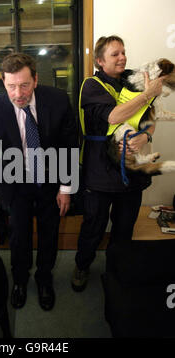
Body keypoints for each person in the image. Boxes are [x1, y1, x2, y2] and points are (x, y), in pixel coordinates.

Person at [0, 53, 78, 311]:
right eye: (11, 86)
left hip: (50, 179)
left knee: (49, 234)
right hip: (16, 181)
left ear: (35, 80)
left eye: (23, 85)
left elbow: (69, 145)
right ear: (4, 82)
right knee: (19, 236)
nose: (17, 93)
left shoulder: (57, 101)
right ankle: (19, 280)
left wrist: (66, 188)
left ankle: (45, 279)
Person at [71, 35, 166, 292]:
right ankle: (82, 264)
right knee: (94, 224)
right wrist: (148, 94)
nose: (122, 57)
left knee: (125, 226)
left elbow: (149, 115)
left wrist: (146, 135)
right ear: (100, 61)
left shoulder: (133, 79)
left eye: (123, 52)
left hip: (131, 169)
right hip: (100, 168)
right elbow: (115, 116)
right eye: (115, 54)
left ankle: (117, 267)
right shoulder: (91, 86)